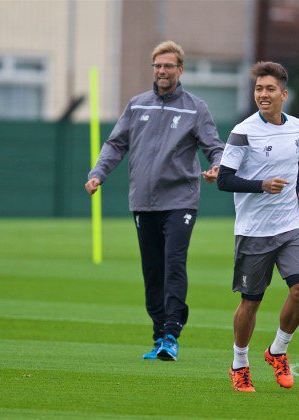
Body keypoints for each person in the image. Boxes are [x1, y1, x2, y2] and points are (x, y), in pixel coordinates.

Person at [85, 41, 224, 362]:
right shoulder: (137, 105)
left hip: (180, 201)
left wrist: (218, 167)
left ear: (180, 70)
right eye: (157, 66)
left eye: (168, 66)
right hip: (143, 202)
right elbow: (115, 144)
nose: (162, 71)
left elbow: (214, 146)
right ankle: (158, 335)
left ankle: (172, 334)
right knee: (152, 271)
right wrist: (98, 174)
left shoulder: (195, 108)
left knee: (174, 264)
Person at [217, 61, 299, 392]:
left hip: (290, 226)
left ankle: (278, 351)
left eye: (270, 89)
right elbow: (225, 180)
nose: (263, 94)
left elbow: (295, 161)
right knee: (251, 303)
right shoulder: (243, 131)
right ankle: (239, 363)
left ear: (283, 94)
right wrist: (262, 185)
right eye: (259, 89)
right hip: (253, 232)